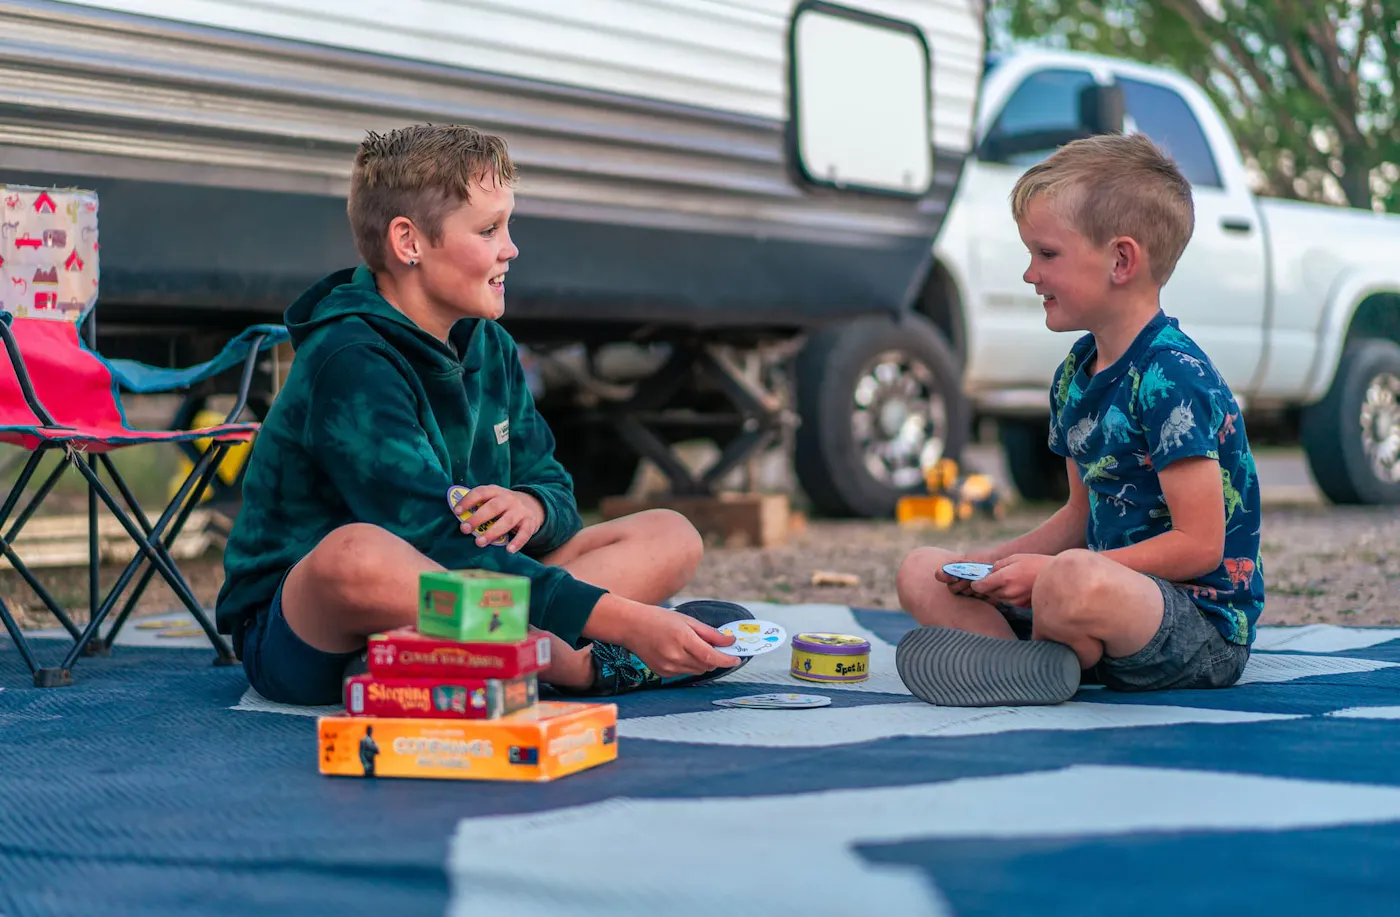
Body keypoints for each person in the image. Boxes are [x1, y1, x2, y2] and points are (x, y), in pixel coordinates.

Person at [215, 123, 746, 706]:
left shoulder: (491, 344)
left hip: (477, 594)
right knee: (354, 554)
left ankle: (441, 657)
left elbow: (554, 487)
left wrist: (533, 506)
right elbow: (435, 540)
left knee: (672, 534)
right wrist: (626, 621)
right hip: (310, 634)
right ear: (409, 242)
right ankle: (572, 663)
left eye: (507, 225)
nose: (510, 248)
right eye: (489, 229)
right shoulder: (348, 359)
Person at [894, 132, 1264, 707]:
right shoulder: (1075, 373)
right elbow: (1079, 513)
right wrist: (992, 564)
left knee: (1068, 577)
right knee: (922, 569)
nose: (1030, 274)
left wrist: (1051, 574)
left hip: (1193, 623)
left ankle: (1047, 655)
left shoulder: (1174, 375)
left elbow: (1200, 546)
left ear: (1120, 260)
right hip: (1084, 599)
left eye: (1046, 254)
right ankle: (1028, 667)